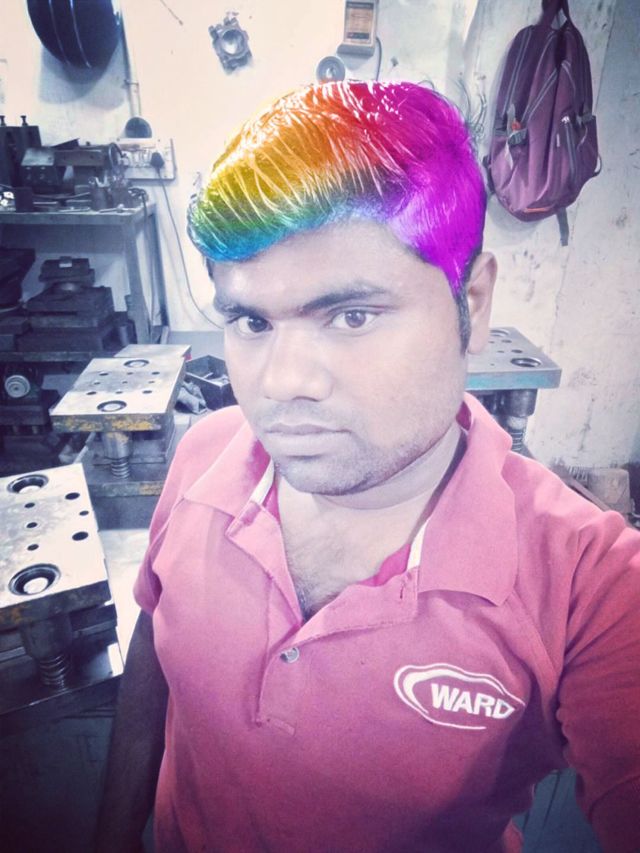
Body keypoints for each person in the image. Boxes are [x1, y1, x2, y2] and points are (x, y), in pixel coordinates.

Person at [96, 81, 640, 852]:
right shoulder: (204, 454)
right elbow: (158, 637)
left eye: (351, 315)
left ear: (473, 303)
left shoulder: (589, 588)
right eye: (250, 321)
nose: (283, 381)